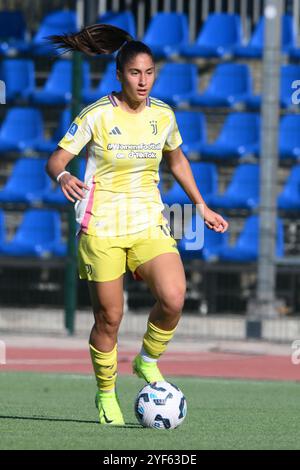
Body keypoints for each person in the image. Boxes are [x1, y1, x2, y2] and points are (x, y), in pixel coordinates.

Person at [46, 24, 229, 426]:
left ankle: (147, 361)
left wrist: (201, 206)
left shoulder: (163, 115)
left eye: (149, 73)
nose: (143, 81)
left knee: (174, 296)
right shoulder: (96, 114)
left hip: (148, 222)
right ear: (120, 75)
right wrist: (63, 177)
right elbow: (55, 161)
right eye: (134, 73)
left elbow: (177, 160)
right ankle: (106, 393)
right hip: (102, 226)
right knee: (110, 318)